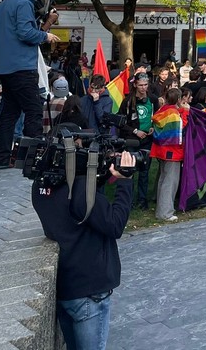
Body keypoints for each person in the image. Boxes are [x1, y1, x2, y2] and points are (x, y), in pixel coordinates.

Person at [32, 147, 135, 350]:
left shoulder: (39, 186)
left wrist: (103, 172)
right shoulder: (79, 191)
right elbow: (115, 224)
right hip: (90, 292)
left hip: (66, 287)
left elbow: (80, 201)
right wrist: (125, 181)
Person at [0, 0, 61, 169]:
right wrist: (45, 36)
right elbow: (25, 33)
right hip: (21, 67)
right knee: (33, 111)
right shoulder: (23, 4)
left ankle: (2, 160)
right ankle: (31, 161)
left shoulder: (3, 5)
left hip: (5, 68)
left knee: (9, 114)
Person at [151, 87, 190, 221]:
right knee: (170, 181)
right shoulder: (173, 113)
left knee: (163, 179)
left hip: (161, 150)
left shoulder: (163, 110)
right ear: (178, 99)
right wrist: (185, 112)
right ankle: (165, 213)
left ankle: (161, 209)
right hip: (172, 152)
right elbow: (180, 127)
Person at [119, 73, 154, 208]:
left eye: (145, 85)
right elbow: (121, 122)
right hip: (132, 140)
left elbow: (157, 116)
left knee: (145, 171)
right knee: (130, 170)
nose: (143, 88)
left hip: (147, 139)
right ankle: (129, 200)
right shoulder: (128, 101)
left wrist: (152, 127)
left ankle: (142, 200)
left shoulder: (152, 99)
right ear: (135, 85)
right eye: (140, 85)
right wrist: (135, 131)